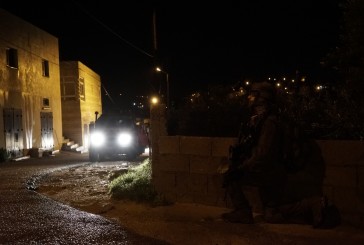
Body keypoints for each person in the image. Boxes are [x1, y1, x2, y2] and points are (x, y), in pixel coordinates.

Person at [221, 81, 332, 228]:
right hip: (269, 173)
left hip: (269, 174)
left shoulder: (270, 122)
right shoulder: (258, 120)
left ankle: (242, 211)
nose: (249, 98)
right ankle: (313, 204)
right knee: (271, 215)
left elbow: (262, 154)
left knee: (231, 175)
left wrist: (241, 168)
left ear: (262, 98)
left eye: (253, 95)